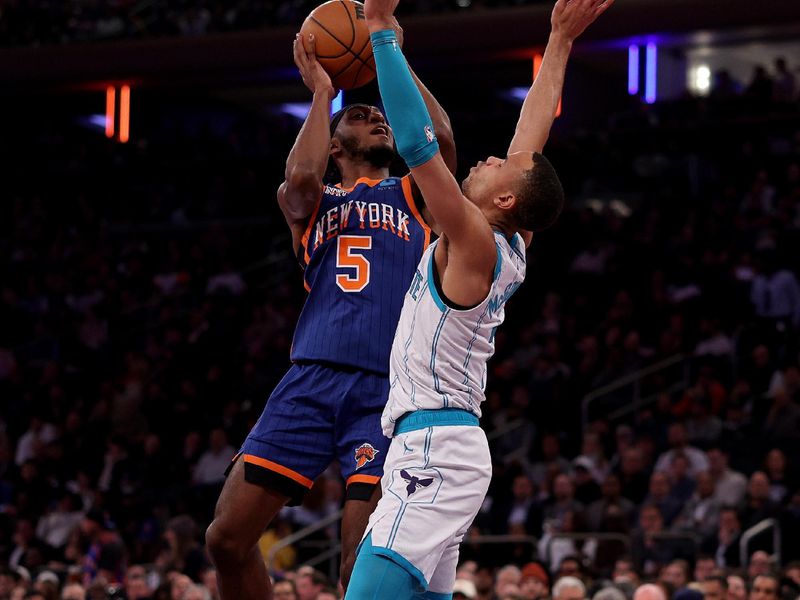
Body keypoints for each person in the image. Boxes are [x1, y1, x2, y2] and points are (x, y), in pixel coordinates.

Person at [345, 0, 611, 597]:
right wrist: (559, 40)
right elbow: (533, 134)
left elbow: (417, 148)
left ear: (507, 202)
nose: (492, 157)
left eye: (499, 166)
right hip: (443, 447)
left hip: (435, 449)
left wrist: (383, 32)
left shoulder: (473, 240)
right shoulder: (511, 237)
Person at [204, 12, 457, 600]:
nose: (375, 117)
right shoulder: (314, 202)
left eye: (379, 115)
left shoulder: (415, 194)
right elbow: (298, 176)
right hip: (310, 380)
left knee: (358, 569)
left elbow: (440, 139)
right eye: (362, 116)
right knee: (226, 540)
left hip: (387, 390)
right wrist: (323, 92)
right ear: (336, 143)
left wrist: (391, 52)